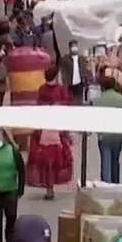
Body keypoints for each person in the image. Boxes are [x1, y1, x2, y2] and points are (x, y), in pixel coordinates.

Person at [27, 68, 74, 200]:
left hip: (44, 129)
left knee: (45, 161)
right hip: (57, 129)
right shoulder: (61, 90)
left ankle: (48, 186)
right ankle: (51, 185)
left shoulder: (42, 89)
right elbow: (66, 107)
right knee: (56, 160)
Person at [93, 76, 122, 184]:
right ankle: (115, 183)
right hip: (117, 135)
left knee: (106, 161)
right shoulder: (120, 98)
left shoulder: (98, 100)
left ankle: (106, 185)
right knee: (115, 160)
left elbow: (94, 118)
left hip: (104, 136)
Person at [58, 39, 90, 103]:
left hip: (79, 84)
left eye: (75, 46)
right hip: (69, 85)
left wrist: (86, 82)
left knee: (78, 101)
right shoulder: (65, 59)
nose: (74, 48)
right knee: (70, 102)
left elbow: (85, 70)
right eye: (72, 46)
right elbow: (63, 71)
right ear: (70, 48)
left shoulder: (81, 58)